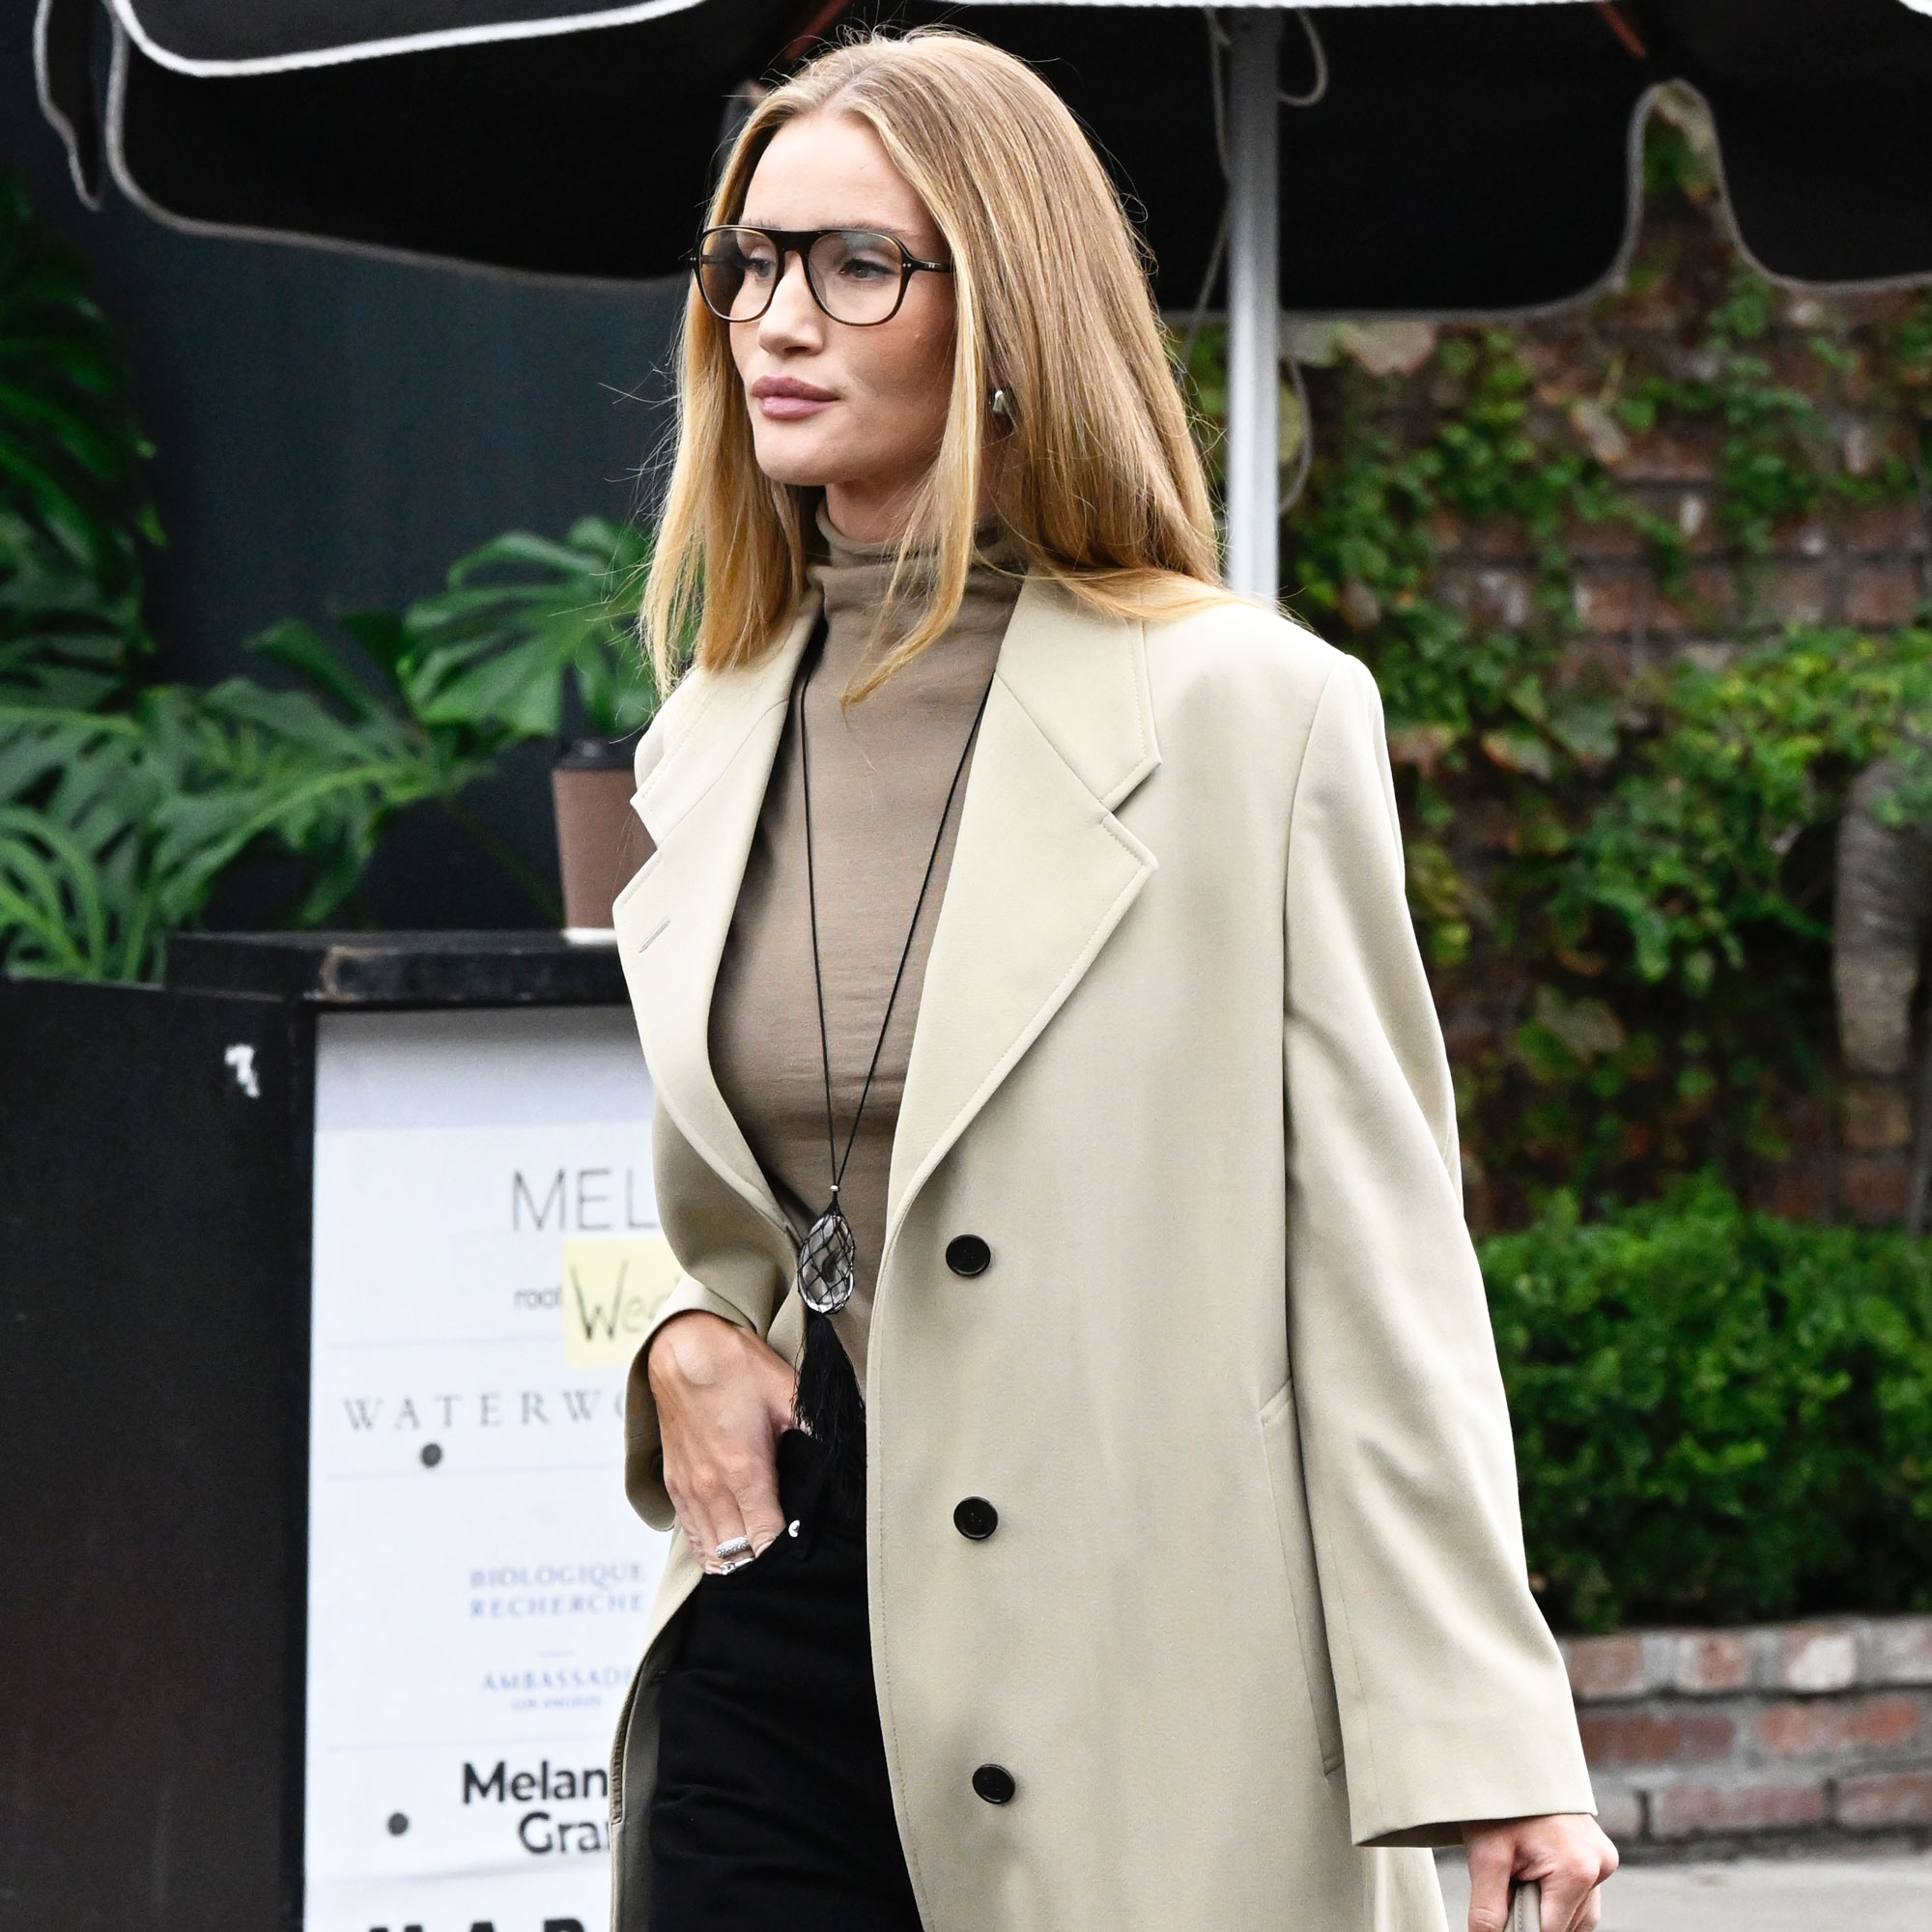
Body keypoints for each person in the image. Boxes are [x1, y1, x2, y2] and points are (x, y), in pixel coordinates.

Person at [608, 26, 1617, 1932]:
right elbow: (710, 1206)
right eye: (751, 260)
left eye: (857, 264)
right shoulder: (711, 730)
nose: (778, 319)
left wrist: (1489, 1741)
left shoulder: (1248, 714)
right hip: (774, 1654)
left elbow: (1381, 1269)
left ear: (1006, 312)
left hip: (1136, 1689)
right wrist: (671, 1336)